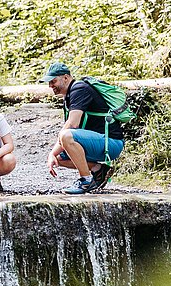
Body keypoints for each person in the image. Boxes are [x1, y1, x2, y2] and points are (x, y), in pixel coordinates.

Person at [44, 61, 125, 194]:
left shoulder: (79, 89)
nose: (50, 86)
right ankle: (98, 170)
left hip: (110, 143)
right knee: (58, 159)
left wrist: (52, 152)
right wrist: (53, 155)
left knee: (66, 136)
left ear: (65, 77)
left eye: (53, 81)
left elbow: (72, 124)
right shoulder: (69, 94)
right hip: (97, 142)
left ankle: (86, 180)